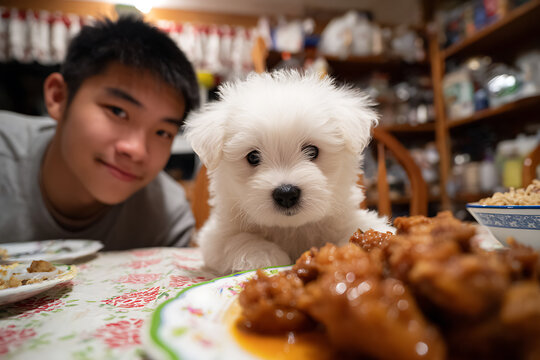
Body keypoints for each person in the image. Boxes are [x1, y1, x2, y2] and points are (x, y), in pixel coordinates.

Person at [0, 16, 200, 250]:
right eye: (118, 111)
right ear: (58, 97)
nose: (136, 150)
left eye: (163, 132)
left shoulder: (167, 216)